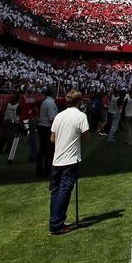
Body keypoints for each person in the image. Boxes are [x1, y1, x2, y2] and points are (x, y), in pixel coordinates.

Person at [48, 90, 90, 235]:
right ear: (79, 101)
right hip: (70, 159)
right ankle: (56, 223)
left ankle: (55, 218)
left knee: (55, 191)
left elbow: (52, 139)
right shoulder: (81, 116)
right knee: (64, 191)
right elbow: (86, 137)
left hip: (57, 159)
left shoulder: (59, 116)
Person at [35, 87, 58, 177]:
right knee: (49, 151)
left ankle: (40, 170)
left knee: (43, 151)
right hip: (47, 128)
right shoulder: (50, 103)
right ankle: (47, 170)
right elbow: (52, 118)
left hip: (43, 128)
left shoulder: (46, 102)